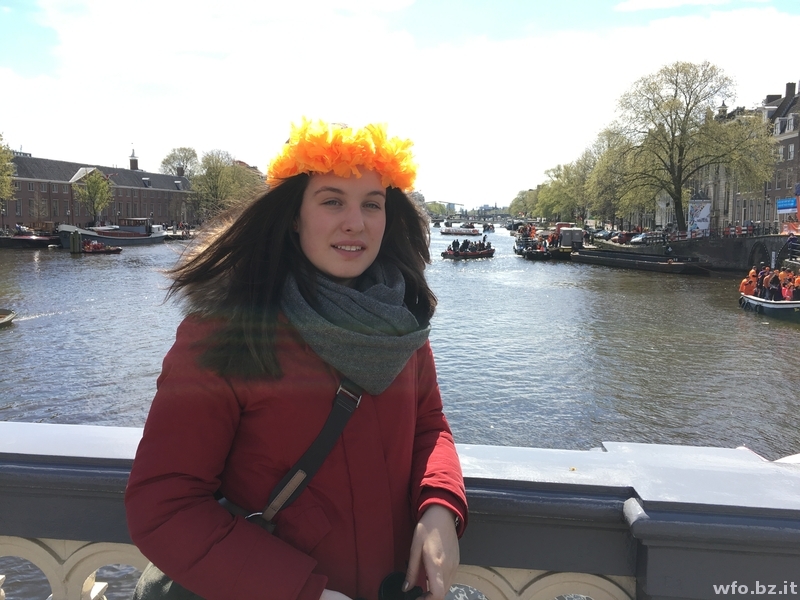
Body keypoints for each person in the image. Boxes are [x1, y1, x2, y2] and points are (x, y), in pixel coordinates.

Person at [125, 119, 467, 600]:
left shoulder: (401, 323)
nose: (356, 222)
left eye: (372, 204)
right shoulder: (227, 330)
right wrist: (302, 593)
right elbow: (165, 504)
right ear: (293, 216)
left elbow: (429, 426)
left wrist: (440, 506)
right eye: (332, 201)